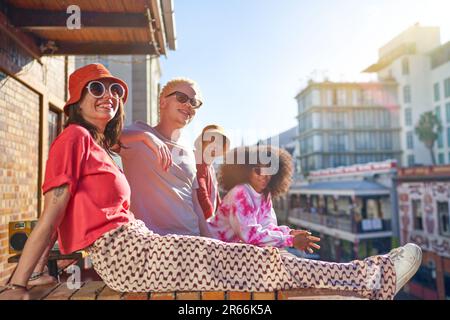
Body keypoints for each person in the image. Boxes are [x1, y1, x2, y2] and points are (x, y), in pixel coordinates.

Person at [0, 64, 422, 300]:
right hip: (129, 252)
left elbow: (65, 211)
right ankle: (371, 276)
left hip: (144, 246)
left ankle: (364, 279)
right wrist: (18, 283)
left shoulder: (98, 145)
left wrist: (35, 272)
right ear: (74, 98)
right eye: (96, 87)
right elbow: (53, 208)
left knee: (256, 271)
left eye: (115, 90)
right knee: (257, 267)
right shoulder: (77, 137)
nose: (108, 95)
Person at [117, 78, 211, 237]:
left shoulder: (189, 150)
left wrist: (211, 241)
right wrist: (146, 136)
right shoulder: (138, 134)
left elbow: (195, 203)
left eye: (194, 102)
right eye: (181, 98)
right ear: (163, 103)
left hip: (191, 241)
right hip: (155, 246)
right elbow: (104, 138)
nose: (189, 105)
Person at [208, 146, 320, 252]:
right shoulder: (240, 193)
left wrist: (290, 233)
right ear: (246, 171)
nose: (264, 176)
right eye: (258, 171)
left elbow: (267, 227)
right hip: (212, 249)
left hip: (229, 251)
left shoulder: (265, 194)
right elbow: (251, 235)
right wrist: (291, 240)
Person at [194, 124, 230, 219]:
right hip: (202, 223)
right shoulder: (199, 163)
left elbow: (216, 197)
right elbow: (201, 194)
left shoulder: (211, 167)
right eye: (211, 140)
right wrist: (211, 220)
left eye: (219, 142)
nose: (215, 145)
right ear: (202, 143)